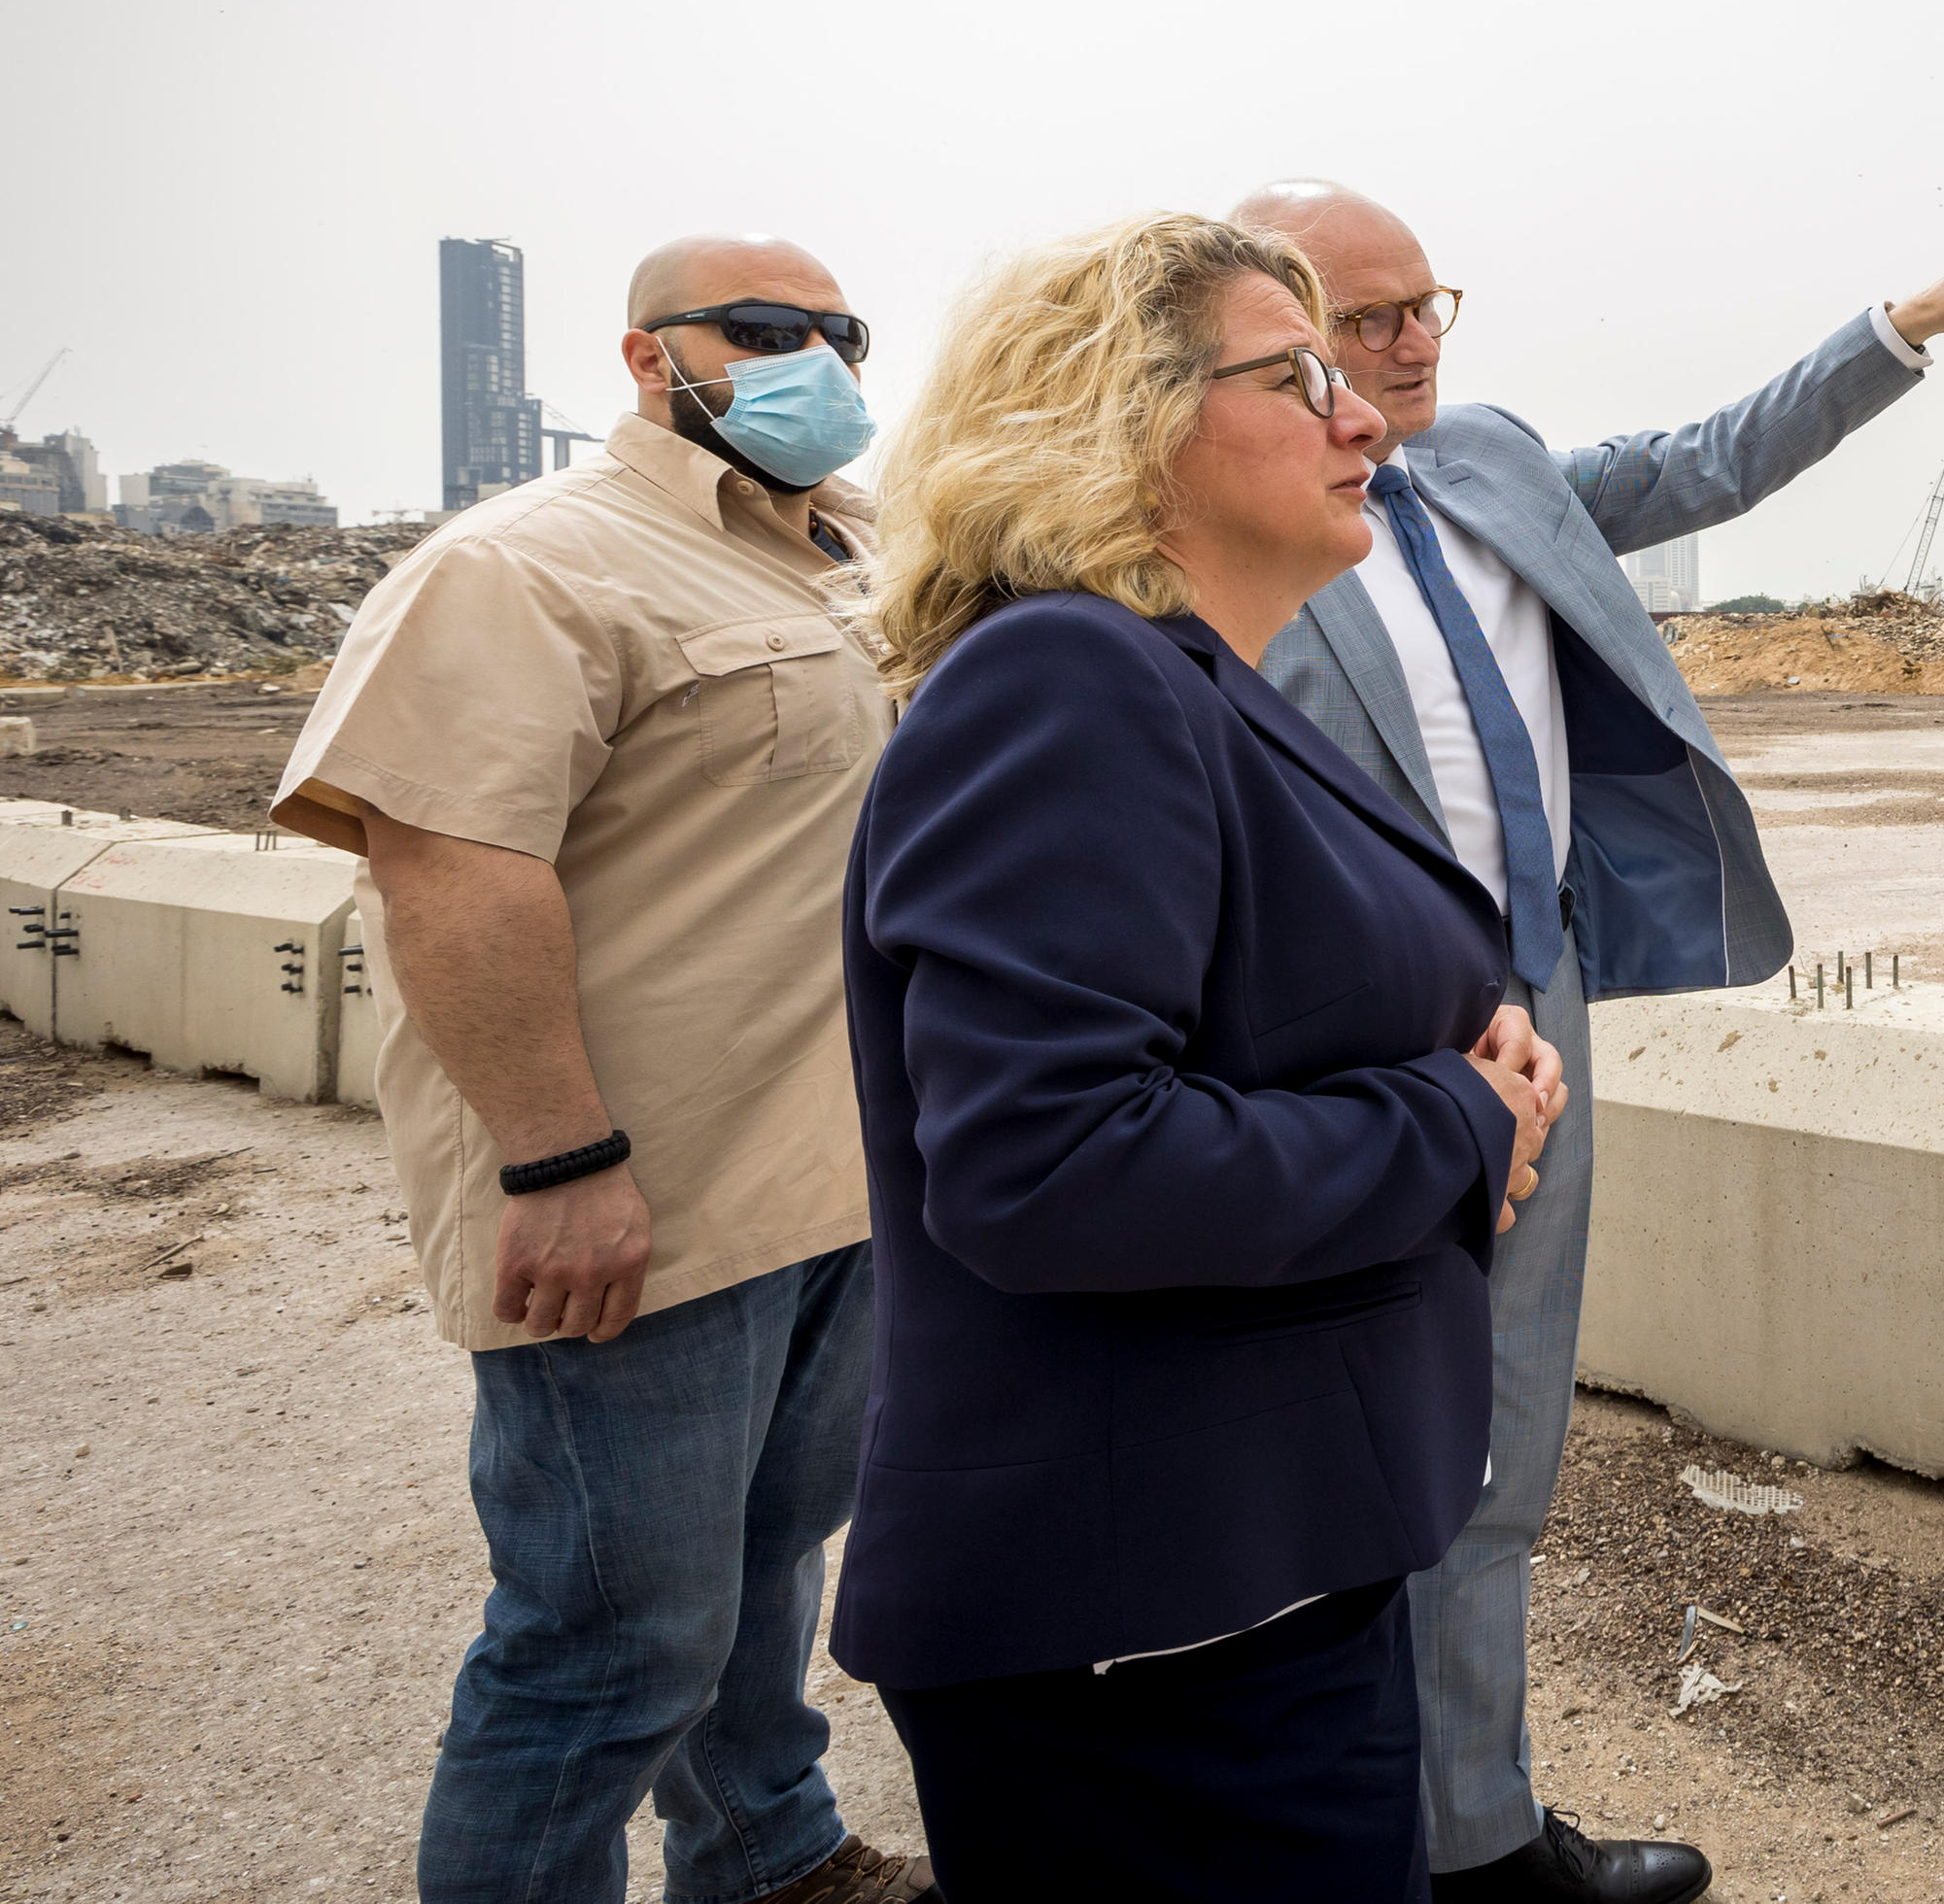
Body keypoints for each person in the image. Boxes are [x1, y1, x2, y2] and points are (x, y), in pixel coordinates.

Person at [1229, 181, 1944, 1904]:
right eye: (1362, 320)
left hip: (1541, 1017)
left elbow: (1705, 463)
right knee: (1325, 1463)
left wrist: (1896, 332)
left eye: (1424, 306)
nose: (1408, 347)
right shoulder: (1212, 532)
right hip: (1343, 1057)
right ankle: (1333, 1839)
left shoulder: (1492, 464)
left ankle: (1471, 1837)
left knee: (1502, 1444)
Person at [836, 212, 1564, 1898]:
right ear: (1124, 413)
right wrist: (1452, 1113)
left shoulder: (1182, 678)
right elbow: (1052, 1166)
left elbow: (1243, 1006)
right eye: (1300, 373)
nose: (1366, 413)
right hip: (1152, 1639)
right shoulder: (1066, 680)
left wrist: (1453, 1034)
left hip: (1245, 1579)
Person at [272, 238, 928, 1904]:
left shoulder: (851, 554)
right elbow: (452, 868)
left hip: (835, 1178)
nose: (816, 359)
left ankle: (768, 1854)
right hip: (646, 1199)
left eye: (838, 332)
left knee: (768, 1562)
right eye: (764, 331)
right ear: (650, 359)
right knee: (606, 1640)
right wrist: (561, 1160)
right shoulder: (528, 565)